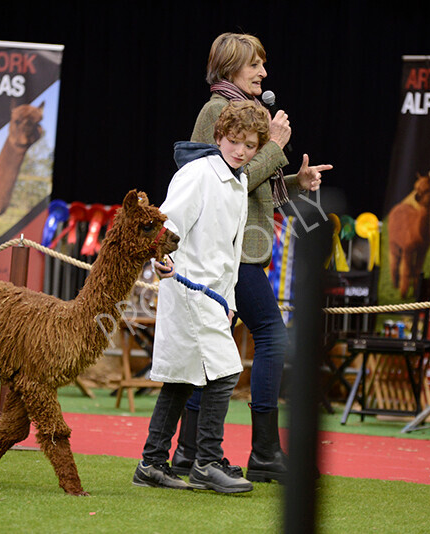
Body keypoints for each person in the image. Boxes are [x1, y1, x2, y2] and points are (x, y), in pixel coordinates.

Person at [171, 32, 331, 483]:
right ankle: (260, 452)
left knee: (216, 348)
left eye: (263, 64)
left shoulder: (240, 112)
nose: (263, 72)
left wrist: (297, 179)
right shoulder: (215, 111)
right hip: (224, 250)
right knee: (268, 338)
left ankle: (189, 453)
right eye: (255, 64)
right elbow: (220, 179)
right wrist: (275, 147)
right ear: (230, 67)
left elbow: (249, 185)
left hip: (241, 248)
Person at [133, 101, 269, 493]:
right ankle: (207, 462)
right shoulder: (197, 174)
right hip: (188, 287)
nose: (240, 150)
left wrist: (229, 302)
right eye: (233, 140)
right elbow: (167, 223)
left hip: (214, 297)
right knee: (225, 370)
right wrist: (163, 260)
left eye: (249, 144)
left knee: (180, 379)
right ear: (218, 137)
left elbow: (229, 250)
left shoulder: (240, 181)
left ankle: (151, 463)